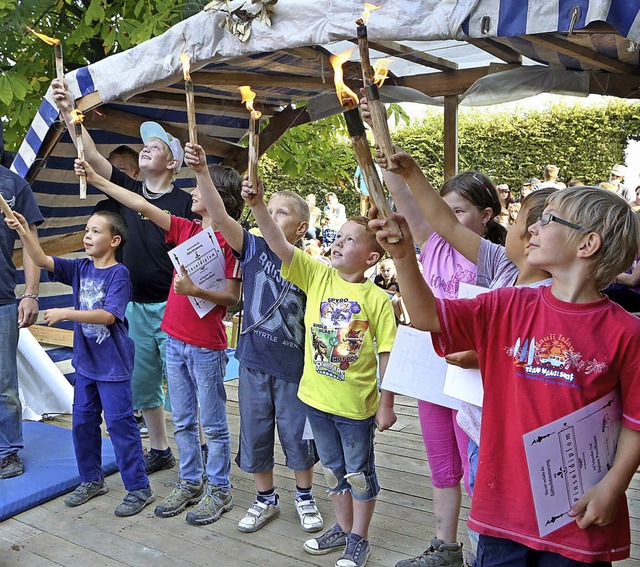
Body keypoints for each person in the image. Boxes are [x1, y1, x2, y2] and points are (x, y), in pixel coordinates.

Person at [372, 186, 640, 566]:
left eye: (548, 219)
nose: (532, 229)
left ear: (587, 244)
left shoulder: (627, 333)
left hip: (580, 519)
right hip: (502, 513)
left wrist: (614, 487)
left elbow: (636, 421)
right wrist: (402, 259)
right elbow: (428, 317)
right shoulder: (508, 304)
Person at [74, 154, 242, 525]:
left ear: (220, 197)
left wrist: (195, 289)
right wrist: (99, 181)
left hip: (206, 345)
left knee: (212, 423)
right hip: (175, 336)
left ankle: (220, 490)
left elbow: (232, 298)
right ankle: (190, 482)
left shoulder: (231, 241)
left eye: (201, 187)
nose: (193, 192)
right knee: (181, 418)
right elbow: (140, 204)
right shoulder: (186, 229)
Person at [244, 176, 397, 567]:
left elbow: (387, 355)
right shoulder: (317, 275)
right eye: (339, 236)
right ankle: (343, 529)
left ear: (371, 258)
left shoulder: (378, 299)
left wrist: (387, 404)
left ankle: (359, 539)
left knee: (359, 473)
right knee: (332, 471)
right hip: (315, 400)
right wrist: (259, 205)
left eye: (350, 240)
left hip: (356, 408)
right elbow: (277, 243)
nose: (340, 242)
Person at [53, 78, 196, 475]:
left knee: (183, 383)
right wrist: (71, 115)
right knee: (144, 384)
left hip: (175, 305)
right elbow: (96, 159)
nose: (146, 147)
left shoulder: (186, 202)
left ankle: (195, 449)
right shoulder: (127, 188)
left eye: (157, 145)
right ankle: (162, 449)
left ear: (172, 163)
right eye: (144, 145)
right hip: (132, 308)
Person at [184, 143, 324, 535]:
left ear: (300, 228)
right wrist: (202, 174)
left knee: (297, 435)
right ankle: (265, 499)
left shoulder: (309, 265)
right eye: (270, 210)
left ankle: (304, 495)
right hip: (252, 361)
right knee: (256, 432)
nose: (273, 217)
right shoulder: (251, 247)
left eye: (283, 213)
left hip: (295, 369)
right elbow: (220, 213)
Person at [6, 209, 155, 516]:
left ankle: (139, 489)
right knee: (83, 424)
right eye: (86, 230)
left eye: (95, 231)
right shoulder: (80, 268)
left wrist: (66, 313)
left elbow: (108, 315)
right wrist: (23, 231)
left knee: (120, 426)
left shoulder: (119, 274)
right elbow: (43, 259)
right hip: (86, 364)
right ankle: (92, 480)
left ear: (114, 240)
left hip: (113, 366)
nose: (87, 236)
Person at [0, 160, 43, 479]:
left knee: (4, 383)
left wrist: (31, 293)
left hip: (1, 298)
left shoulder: (13, 186)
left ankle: (7, 452)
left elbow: (31, 243)